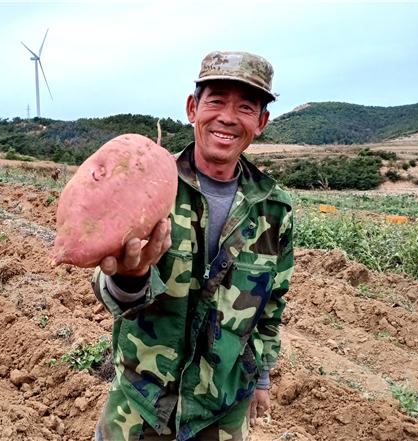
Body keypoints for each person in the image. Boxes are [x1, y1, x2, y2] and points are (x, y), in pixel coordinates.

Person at [93, 51, 294, 441]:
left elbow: (272, 304)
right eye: (216, 100)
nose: (228, 117)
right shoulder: (150, 187)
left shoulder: (273, 209)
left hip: (222, 408)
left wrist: (263, 377)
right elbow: (109, 291)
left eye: (246, 107)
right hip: (142, 404)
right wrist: (131, 279)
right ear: (192, 108)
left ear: (262, 122)